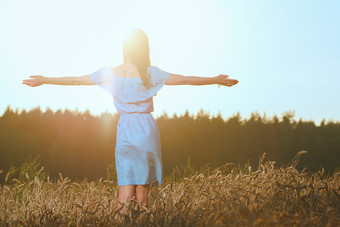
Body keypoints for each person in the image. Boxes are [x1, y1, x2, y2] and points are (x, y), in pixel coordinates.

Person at [22, 28, 239, 214]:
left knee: (124, 195)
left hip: (124, 131)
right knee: (142, 197)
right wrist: (215, 80)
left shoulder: (111, 72)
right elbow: (184, 80)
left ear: (125, 48)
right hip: (146, 130)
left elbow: (76, 80)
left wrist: (45, 80)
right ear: (144, 48)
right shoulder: (150, 74)